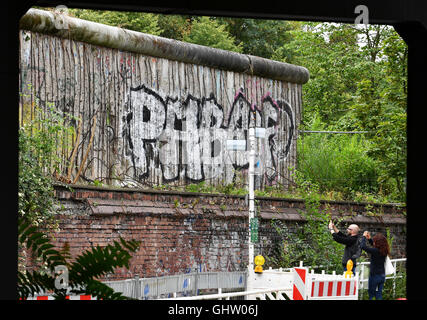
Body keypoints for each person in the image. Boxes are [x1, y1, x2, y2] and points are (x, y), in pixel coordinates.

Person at [360, 231, 390, 300]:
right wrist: (369, 239)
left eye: (374, 241)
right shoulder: (384, 250)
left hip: (374, 276)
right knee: (378, 295)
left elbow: (362, 246)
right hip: (382, 275)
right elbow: (374, 246)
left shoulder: (375, 251)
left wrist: (364, 237)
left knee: (371, 295)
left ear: (377, 243)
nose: (374, 242)